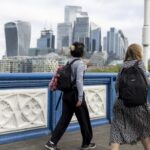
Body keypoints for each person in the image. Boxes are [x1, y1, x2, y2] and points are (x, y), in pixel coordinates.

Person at [45, 42, 96, 150]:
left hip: (66, 94)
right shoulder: (80, 64)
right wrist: (80, 98)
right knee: (84, 119)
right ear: (82, 52)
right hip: (76, 95)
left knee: (64, 119)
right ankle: (86, 143)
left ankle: (52, 142)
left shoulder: (68, 62)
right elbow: (79, 81)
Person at [110, 43, 150, 150]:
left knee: (116, 132)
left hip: (121, 103)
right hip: (138, 105)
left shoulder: (123, 66)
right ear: (138, 52)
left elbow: (117, 85)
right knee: (143, 130)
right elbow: (146, 83)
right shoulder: (140, 64)